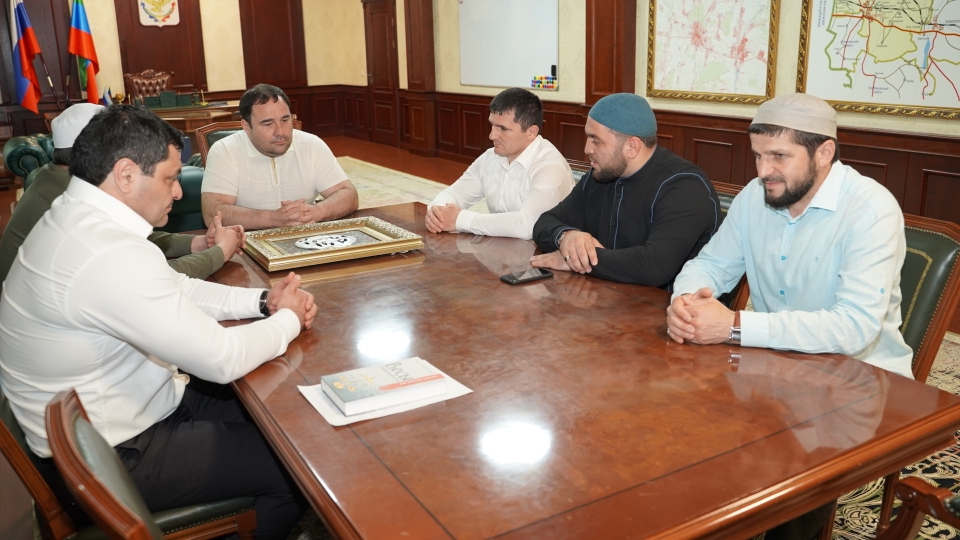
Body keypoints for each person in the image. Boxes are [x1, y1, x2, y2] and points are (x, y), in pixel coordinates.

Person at [0, 105, 317, 540]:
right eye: (170, 178)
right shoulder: (105, 250)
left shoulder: (78, 217)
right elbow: (221, 359)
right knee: (296, 467)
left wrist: (264, 301)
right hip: (111, 458)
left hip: (120, 414)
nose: (179, 192)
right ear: (126, 175)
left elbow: (177, 288)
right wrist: (289, 319)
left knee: (284, 415)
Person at [666, 93, 913, 539]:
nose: (764, 171)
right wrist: (685, 301)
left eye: (779, 156)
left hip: (856, 384)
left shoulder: (871, 209)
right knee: (681, 445)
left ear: (824, 152)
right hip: (771, 368)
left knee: (787, 492)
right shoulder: (754, 196)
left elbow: (854, 327)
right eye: (758, 155)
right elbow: (711, 265)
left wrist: (733, 325)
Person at [0, 103, 243, 285]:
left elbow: (134, 238)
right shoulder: (71, 202)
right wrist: (218, 253)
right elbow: (150, 280)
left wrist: (198, 243)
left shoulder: (58, 178)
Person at [531, 93, 721, 288]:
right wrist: (566, 236)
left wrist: (577, 259)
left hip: (670, 304)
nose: (587, 149)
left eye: (596, 140)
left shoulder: (685, 187)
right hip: (604, 294)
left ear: (632, 146)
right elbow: (545, 222)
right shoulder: (600, 175)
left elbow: (654, 266)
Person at [201, 83, 359, 229]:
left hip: (306, 234)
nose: (280, 132)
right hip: (245, 240)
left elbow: (348, 194)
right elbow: (213, 213)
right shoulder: (225, 150)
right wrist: (272, 218)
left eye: (285, 120)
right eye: (268, 124)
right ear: (246, 126)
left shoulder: (311, 144)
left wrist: (317, 212)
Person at [426, 88, 573, 240]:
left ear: (531, 132)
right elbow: (454, 194)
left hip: (544, 250)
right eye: (493, 125)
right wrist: (437, 213)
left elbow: (528, 225)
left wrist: (461, 220)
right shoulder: (491, 157)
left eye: (503, 129)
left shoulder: (550, 167)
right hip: (500, 247)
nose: (492, 135)